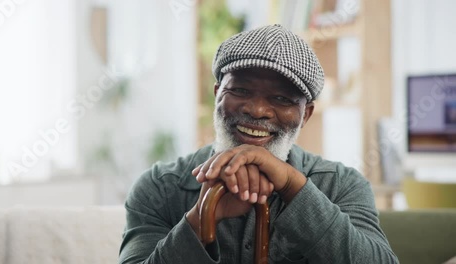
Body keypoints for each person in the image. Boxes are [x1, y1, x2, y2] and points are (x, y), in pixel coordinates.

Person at [118, 24, 398, 263]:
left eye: (281, 98)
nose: (257, 110)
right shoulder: (159, 186)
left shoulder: (340, 185)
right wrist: (201, 218)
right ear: (218, 94)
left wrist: (292, 185)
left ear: (306, 115)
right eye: (240, 90)